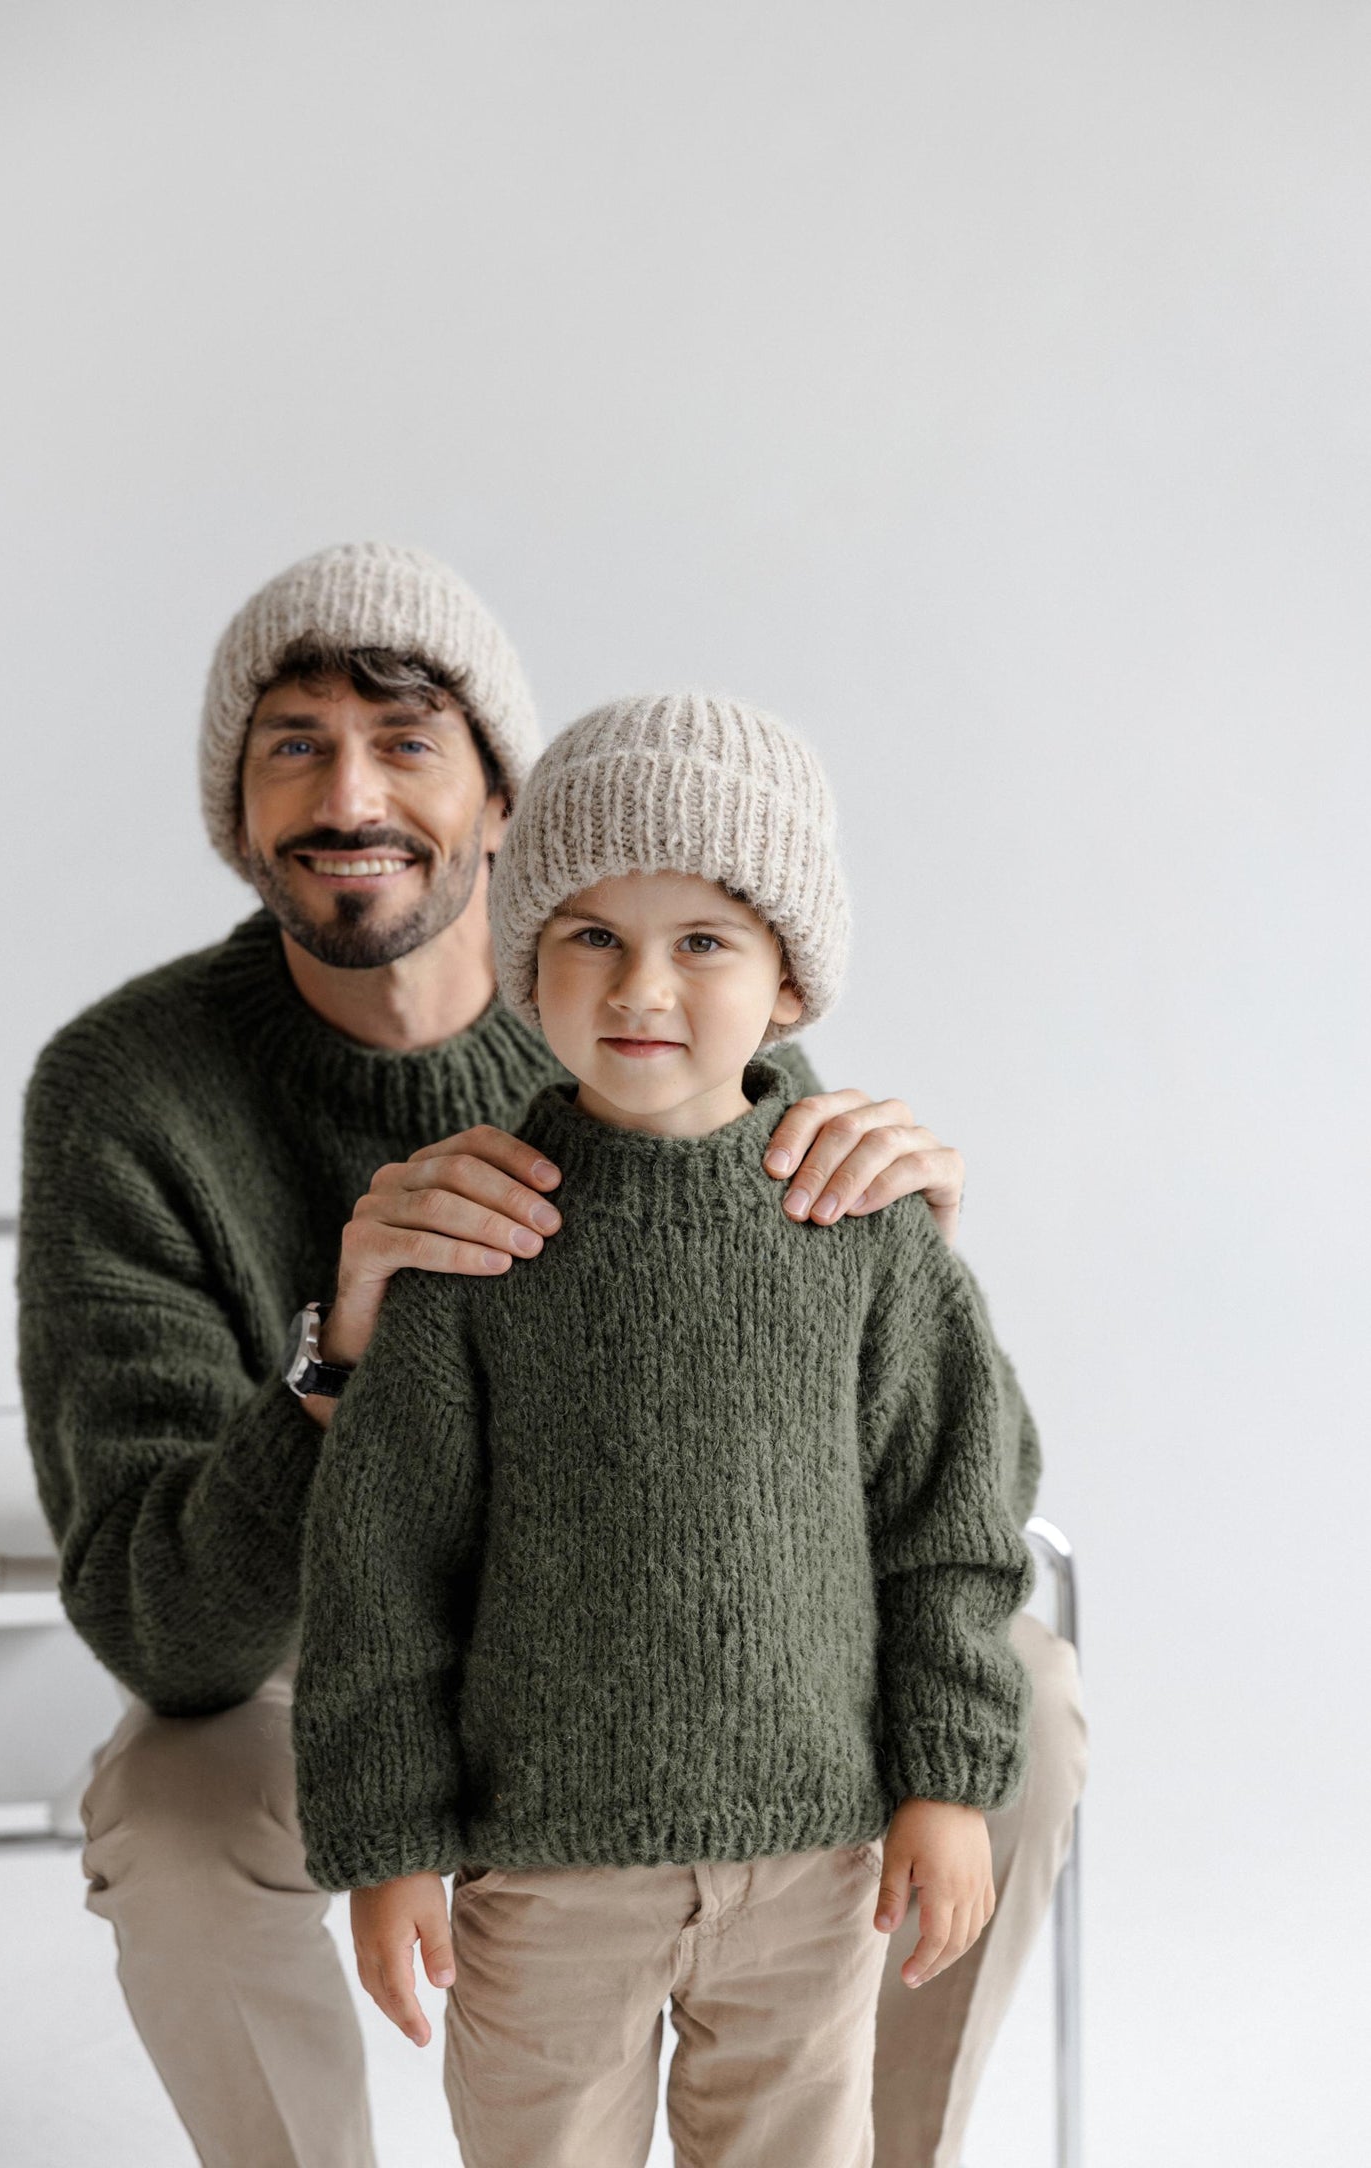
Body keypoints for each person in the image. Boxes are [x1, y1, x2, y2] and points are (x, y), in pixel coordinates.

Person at [17, 542, 1087, 2168]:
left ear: (507, 803)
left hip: (685, 1654)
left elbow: (909, 1457)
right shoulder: (125, 1092)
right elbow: (163, 1635)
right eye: (291, 743)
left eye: (407, 739)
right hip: (310, 1634)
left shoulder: (671, 1015)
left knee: (1015, 1708)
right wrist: (340, 1354)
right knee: (171, 1827)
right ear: (235, 810)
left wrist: (915, 1253)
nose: (348, 792)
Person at [290, 689, 1038, 2168]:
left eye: (701, 939)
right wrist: (391, 1847)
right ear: (527, 968)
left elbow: (951, 1519)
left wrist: (944, 1785)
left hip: (811, 1864)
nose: (640, 986)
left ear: (787, 987)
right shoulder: (476, 1232)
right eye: (591, 936)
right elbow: (379, 1565)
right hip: (544, 1873)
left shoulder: (861, 1228)